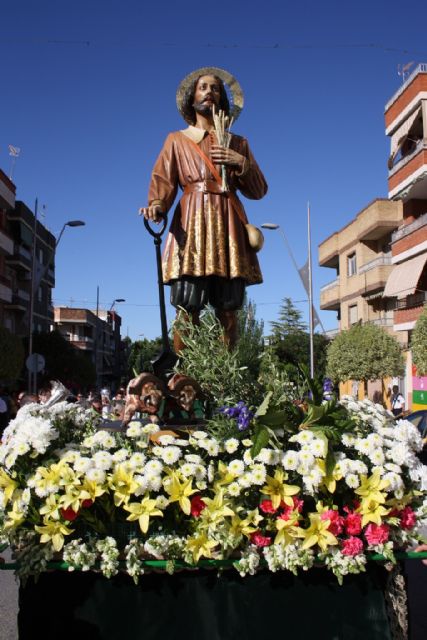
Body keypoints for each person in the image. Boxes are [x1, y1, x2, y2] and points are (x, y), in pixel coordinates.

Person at [140, 67, 267, 350]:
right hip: (192, 222)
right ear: (192, 97)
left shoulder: (239, 142)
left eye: (215, 88)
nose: (209, 92)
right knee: (187, 303)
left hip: (228, 224)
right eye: (203, 87)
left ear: (223, 99)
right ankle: (184, 373)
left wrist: (240, 162)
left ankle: (227, 374)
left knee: (229, 305)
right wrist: (157, 205)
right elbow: (163, 180)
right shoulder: (176, 139)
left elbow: (258, 190)